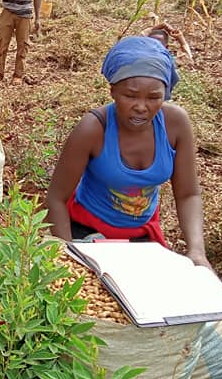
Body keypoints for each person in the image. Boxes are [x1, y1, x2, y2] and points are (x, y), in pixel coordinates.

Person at [45, 36, 209, 266]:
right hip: (86, 230)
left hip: (140, 235)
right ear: (112, 91)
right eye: (130, 96)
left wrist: (197, 250)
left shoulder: (175, 124)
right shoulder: (93, 129)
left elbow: (188, 194)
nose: (142, 107)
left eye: (154, 98)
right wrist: (69, 256)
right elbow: (56, 199)